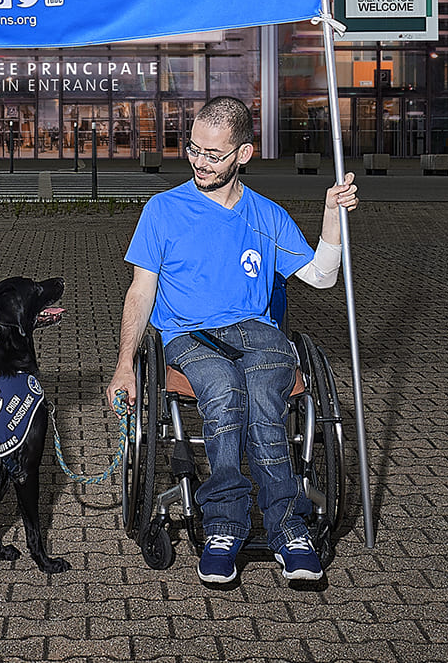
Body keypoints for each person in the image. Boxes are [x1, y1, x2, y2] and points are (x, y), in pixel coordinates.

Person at [105, 95, 356, 585]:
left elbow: (323, 277)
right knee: (224, 391)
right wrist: (123, 365)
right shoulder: (163, 211)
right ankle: (223, 525)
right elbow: (140, 291)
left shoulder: (267, 215)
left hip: (258, 334)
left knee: (264, 397)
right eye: (193, 149)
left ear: (243, 154)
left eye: (214, 155)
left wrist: (331, 215)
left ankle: (289, 528)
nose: (200, 162)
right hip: (189, 335)